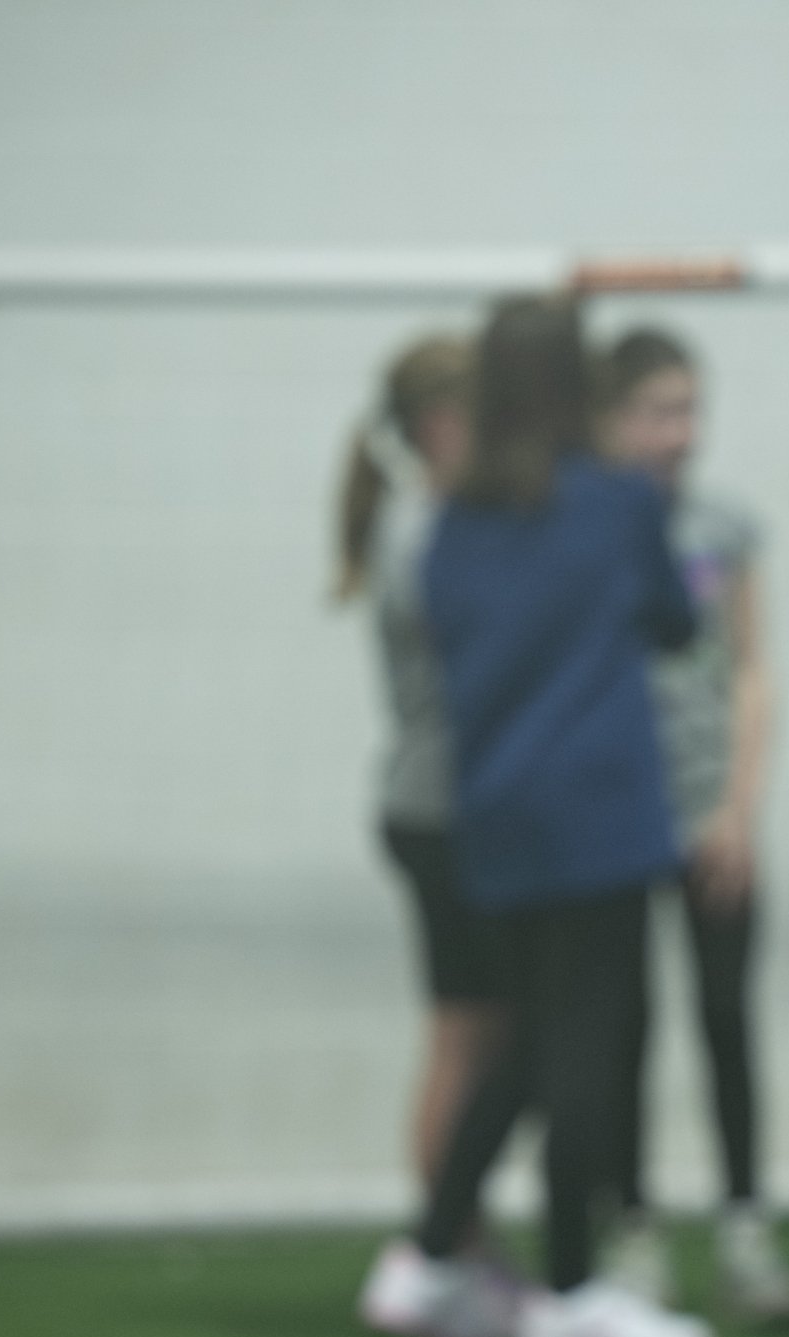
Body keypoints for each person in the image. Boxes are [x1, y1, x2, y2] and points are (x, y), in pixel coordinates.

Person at [358, 295, 715, 1337]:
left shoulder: (446, 524)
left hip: (493, 818)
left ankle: (426, 1257)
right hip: (597, 813)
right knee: (584, 1053)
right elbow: (675, 620)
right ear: (581, 390)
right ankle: (568, 1295)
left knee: (519, 1045)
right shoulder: (613, 504)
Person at [590, 327, 789, 1323]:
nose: (681, 432)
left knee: (725, 1020)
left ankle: (744, 1236)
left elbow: (752, 673)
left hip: (708, 816)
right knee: (617, 1026)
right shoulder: (582, 523)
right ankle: (631, 1234)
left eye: (690, 409)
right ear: (609, 418)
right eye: (659, 410)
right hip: (609, 819)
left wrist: (737, 808)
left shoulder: (724, 527)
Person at [332, 335, 509, 1207]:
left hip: (443, 806)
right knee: (465, 1036)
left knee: (478, 1034)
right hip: (441, 811)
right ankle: (444, 1241)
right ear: (443, 426)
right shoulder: (422, 532)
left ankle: (451, 1237)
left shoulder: (436, 521)